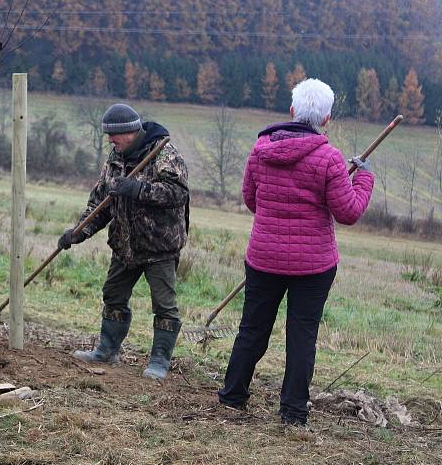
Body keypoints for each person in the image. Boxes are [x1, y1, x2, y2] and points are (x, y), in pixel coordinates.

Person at [218, 78, 374, 426]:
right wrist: (363, 179)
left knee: (252, 328)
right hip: (313, 266)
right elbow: (348, 212)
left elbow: (251, 200)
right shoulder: (330, 159)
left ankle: (232, 396)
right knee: (302, 335)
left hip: (264, 258)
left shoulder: (260, 150)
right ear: (327, 119)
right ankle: (292, 412)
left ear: (291, 111)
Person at [60, 103, 189, 380]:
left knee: (164, 305)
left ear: (129, 132)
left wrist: (138, 189)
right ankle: (106, 350)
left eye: (113, 135)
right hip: (124, 245)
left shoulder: (165, 153)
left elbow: (177, 194)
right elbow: (100, 204)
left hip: (159, 247)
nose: (110, 140)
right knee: (113, 296)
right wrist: (78, 232)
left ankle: (159, 362)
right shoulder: (115, 159)